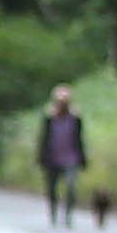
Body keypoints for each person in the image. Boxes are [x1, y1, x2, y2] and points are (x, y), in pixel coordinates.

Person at [37, 85, 88, 225]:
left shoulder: (75, 119)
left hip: (71, 157)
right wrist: (41, 157)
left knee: (71, 186)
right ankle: (53, 212)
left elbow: (80, 139)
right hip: (52, 157)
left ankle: (68, 214)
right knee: (51, 188)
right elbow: (43, 138)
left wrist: (83, 158)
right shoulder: (49, 118)